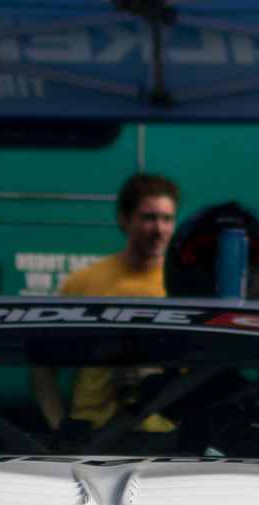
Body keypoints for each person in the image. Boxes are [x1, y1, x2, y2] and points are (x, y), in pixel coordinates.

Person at [33, 172, 180, 434]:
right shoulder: (83, 283)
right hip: (94, 436)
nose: (160, 229)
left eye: (167, 218)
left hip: (164, 439)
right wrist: (61, 430)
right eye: (149, 218)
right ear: (124, 219)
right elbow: (43, 371)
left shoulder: (182, 288)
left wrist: (156, 379)